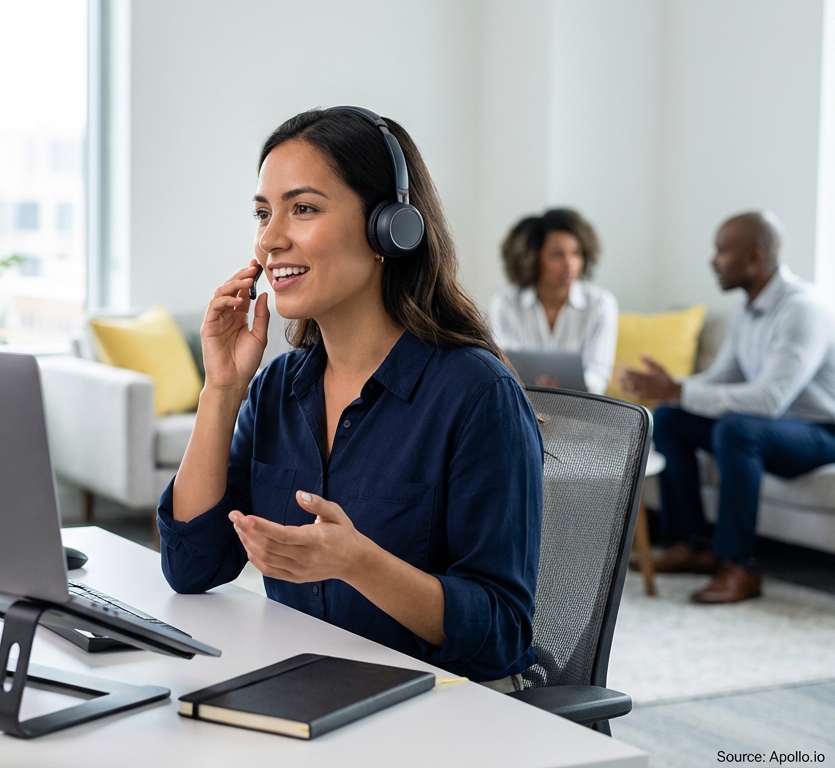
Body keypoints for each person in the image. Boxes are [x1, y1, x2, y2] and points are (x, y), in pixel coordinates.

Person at [158, 107, 544, 689]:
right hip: (314, 691)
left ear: (389, 227)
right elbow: (191, 566)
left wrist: (356, 562)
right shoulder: (276, 390)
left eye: (303, 208)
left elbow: (502, 634)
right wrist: (222, 391)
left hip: (446, 711)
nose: (270, 239)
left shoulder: (476, 394)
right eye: (263, 214)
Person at [620, 211, 835, 603]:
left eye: (721, 250)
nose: (713, 260)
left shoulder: (802, 311)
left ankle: (741, 566)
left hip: (820, 432)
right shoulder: (748, 309)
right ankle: (691, 544)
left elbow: (769, 400)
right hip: (775, 426)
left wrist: (679, 390)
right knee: (671, 418)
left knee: (736, 429)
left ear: (754, 257)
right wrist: (672, 389)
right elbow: (723, 377)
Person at [488, 209, 618, 395]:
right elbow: (498, 367)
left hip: (580, 409)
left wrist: (563, 392)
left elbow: (598, 377)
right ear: (532, 258)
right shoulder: (505, 303)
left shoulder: (600, 304)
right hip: (521, 404)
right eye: (557, 255)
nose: (570, 264)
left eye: (576, 253)